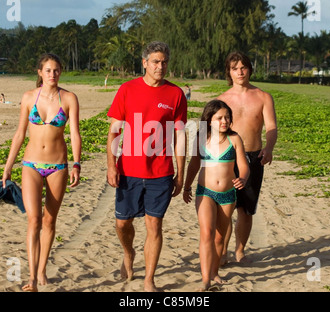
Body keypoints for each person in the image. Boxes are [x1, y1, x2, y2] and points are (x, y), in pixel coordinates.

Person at [106, 41, 187, 292]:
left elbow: (181, 136)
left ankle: (149, 280)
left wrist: (180, 174)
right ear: (144, 63)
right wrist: (111, 165)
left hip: (161, 172)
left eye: (164, 62)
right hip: (128, 170)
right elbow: (114, 132)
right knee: (123, 223)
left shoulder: (175, 94)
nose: (160, 66)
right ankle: (128, 253)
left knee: (154, 226)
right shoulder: (127, 90)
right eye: (155, 62)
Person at [2, 53, 82, 292]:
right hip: (31, 165)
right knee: (34, 219)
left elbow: (75, 134)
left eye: (56, 70)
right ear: (40, 72)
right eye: (48, 70)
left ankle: (42, 269)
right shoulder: (28, 98)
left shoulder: (69, 98)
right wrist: (8, 167)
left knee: (49, 220)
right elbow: (19, 134)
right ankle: (32, 279)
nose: (52, 74)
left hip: (58, 166)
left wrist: (77, 163)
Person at [183, 100, 249, 291]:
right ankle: (206, 280)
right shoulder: (201, 138)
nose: (224, 121)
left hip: (228, 195)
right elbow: (194, 164)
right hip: (205, 192)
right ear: (209, 119)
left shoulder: (234, 138)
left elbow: (243, 165)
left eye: (227, 117)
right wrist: (187, 187)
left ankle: (214, 272)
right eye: (219, 117)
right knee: (206, 233)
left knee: (220, 238)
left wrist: (243, 178)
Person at [218, 51, 277, 264]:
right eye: (235, 68)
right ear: (229, 72)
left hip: (253, 158)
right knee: (225, 208)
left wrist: (269, 147)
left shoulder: (263, 97)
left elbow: (271, 126)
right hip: (227, 159)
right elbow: (213, 132)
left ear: (250, 69)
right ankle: (222, 251)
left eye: (243, 67)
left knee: (246, 209)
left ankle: (240, 250)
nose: (240, 72)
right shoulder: (221, 100)